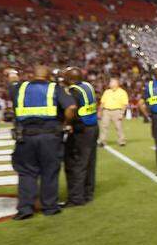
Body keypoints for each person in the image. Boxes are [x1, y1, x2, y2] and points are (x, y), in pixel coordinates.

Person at [8, 65, 78, 220]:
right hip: (49, 137)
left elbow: (11, 84)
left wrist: (13, 76)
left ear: (32, 75)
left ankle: (25, 208)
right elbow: (71, 107)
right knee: (49, 171)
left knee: (26, 173)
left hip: (25, 137)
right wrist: (66, 123)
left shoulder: (20, 88)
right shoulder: (55, 88)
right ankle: (50, 207)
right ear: (48, 76)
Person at [62, 67, 99, 207]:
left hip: (81, 130)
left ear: (70, 79)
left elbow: (71, 109)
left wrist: (67, 123)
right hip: (93, 127)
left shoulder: (73, 91)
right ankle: (88, 193)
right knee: (90, 162)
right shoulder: (87, 86)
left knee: (77, 163)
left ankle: (76, 197)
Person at [98, 77, 128, 147]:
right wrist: (100, 111)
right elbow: (102, 102)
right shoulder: (107, 92)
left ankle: (121, 141)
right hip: (106, 111)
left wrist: (122, 113)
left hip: (117, 111)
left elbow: (124, 104)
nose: (110, 83)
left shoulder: (122, 92)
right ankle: (102, 141)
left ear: (116, 83)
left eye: (112, 82)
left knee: (118, 127)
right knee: (104, 126)